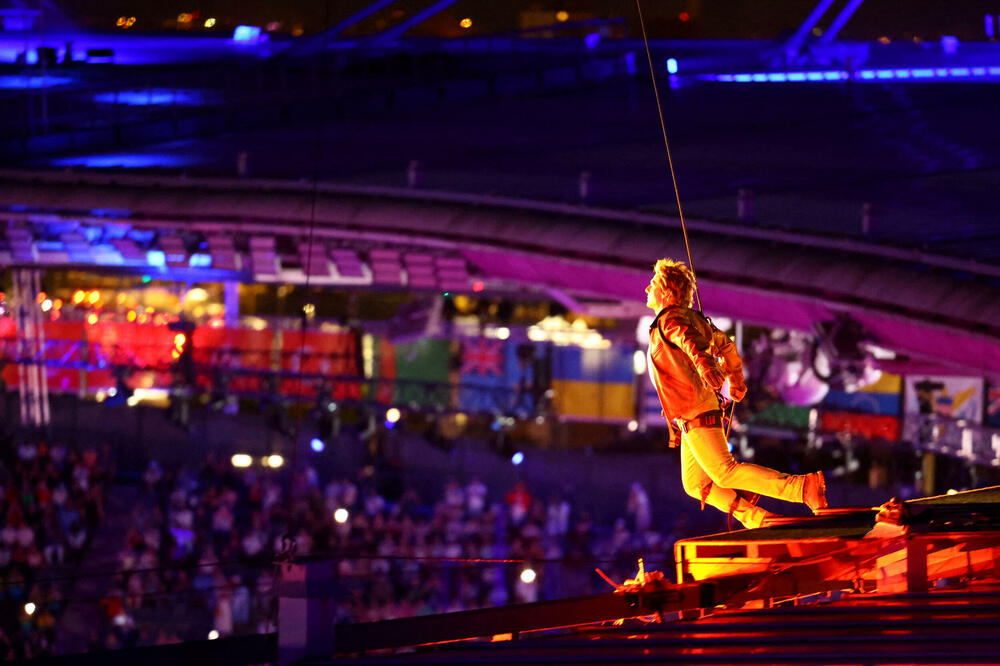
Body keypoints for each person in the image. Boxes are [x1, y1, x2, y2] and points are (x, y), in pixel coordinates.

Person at [644, 258, 826, 529]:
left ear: (667, 292)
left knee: (724, 472)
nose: (647, 288)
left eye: (653, 284)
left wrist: (708, 367)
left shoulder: (669, 320)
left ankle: (801, 487)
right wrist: (736, 379)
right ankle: (758, 518)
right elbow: (725, 345)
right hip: (693, 412)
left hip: (696, 409)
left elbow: (690, 342)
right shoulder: (693, 319)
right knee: (695, 484)